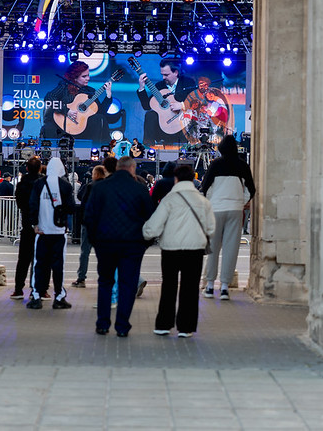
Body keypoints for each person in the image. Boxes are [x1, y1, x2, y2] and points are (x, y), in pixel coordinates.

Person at [83, 156, 154, 336]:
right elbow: (150, 218)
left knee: (105, 282)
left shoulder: (100, 187)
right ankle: (122, 326)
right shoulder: (139, 189)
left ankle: (102, 324)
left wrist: (95, 240)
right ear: (132, 168)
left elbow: (89, 216)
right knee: (127, 284)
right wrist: (145, 243)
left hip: (105, 243)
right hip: (132, 245)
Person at [143, 165, 215, 338]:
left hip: (171, 249)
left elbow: (154, 226)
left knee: (169, 286)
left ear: (176, 179)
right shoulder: (203, 201)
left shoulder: (169, 199)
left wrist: (146, 233)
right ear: (192, 179)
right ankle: (186, 327)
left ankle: (164, 324)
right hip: (195, 249)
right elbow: (211, 228)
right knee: (190, 288)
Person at [201, 135, 257, 300]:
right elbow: (251, 189)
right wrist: (241, 201)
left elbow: (205, 187)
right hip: (235, 209)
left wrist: (212, 201)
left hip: (216, 209)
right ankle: (225, 287)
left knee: (213, 248)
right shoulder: (242, 165)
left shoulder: (215, 164)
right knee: (231, 248)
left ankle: (210, 286)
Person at [26, 157, 75, 310]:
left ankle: (36, 296)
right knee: (58, 265)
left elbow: (33, 205)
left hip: (42, 230)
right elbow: (71, 207)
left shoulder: (39, 184)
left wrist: (35, 224)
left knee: (39, 264)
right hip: (58, 231)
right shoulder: (65, 186)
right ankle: (59, 296)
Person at [40, 60, 114, 142]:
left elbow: (101, 113)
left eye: (88, 75)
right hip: (62, 127)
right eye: (84, 76)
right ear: (75, 78)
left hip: (82, 129)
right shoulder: (64, 87)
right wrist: (67, 111)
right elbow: (49, 98)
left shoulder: (90, 91)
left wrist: (108, 95)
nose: (88, 78)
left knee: (99, 118)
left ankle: (97, 148)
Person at [136, 59, 197, 146]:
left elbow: (197, 101)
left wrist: (182, 105)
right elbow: (147, 106)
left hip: (182, 125)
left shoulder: (188, 83)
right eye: (162, 75)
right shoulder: (159, 86)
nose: (163, 78)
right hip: (164, 127)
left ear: (175, 72)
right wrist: (142, 88)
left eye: (166, 75)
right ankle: (148, 147)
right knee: (150, 115)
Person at [10, 157, 42, 300]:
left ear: (27, 168)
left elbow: (19, 203)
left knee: (23, 259)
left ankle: (18, 289)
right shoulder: (43, 183)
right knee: (39, 259)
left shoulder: (22, 184)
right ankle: (37, 288)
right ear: (40, 168)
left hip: (26, 224)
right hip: (41, 225)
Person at [72, 165, 107, 287]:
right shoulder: (108, 187)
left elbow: (82, 199)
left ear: (95, 174)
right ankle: (106, 278)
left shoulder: (90, 186)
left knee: (85, 252)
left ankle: (81, 278)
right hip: (103, 224)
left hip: (89, 223)